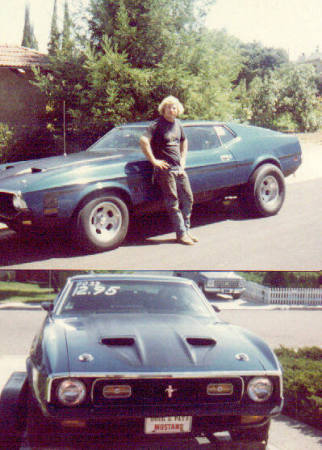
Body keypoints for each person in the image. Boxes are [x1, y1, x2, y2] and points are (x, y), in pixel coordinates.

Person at [140, 96, 198, 245]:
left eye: (174, 107)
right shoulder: (157, 125)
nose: (171, 110)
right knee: (173, 202)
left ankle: (186, 230)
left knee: (188, 198)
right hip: (166, 170)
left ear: (177, 110)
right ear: (163, 109)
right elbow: (143, 140)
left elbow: (184, 141)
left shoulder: (178, 124)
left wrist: (183, 160)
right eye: (168, 107)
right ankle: (181, 234)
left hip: (179, 168)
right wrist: (153, 161)